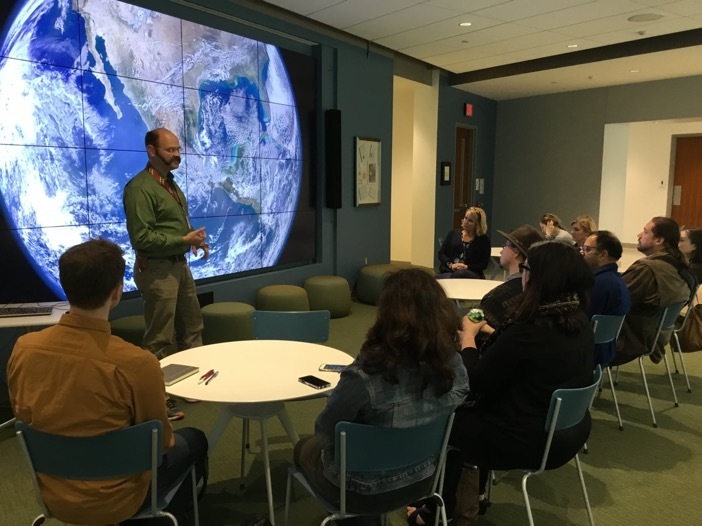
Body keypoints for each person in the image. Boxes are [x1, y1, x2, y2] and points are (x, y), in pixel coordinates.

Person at [6, 239, 208, 525]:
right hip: (120, 499)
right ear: (116, 293)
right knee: (195, 440)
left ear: (66, 287)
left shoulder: (23, 349)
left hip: (52, 493)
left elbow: (25, 420)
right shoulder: (137, 364)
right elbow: (163, 444)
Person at [294, 268, 469, 526]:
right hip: (424, 480)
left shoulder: (365, 375)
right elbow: (462, 394)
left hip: (359, 492)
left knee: (303, 448)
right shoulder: (451, 364)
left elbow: (324, 430)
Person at [444, 241, 594, 523]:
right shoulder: (578, 320)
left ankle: (444, 510)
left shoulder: (527, 331)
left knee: (449, 418)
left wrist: (467, 338)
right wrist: (493, 333)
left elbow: (474, 383)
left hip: (525, 440)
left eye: (525, 269)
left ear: (536, 277)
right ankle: (473, 497)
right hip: (568, 432)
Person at [123, 127, 209, 420]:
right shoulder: (139, 189)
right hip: (158, 271)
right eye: (171, 150)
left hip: (178, 266)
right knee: (159, 339)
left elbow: (171, 225)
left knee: (192, 326)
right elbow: (141, 239)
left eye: (178, 150)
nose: (177, 155)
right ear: (151, 151)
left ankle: (190, 385)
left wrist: (191, 239)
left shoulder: (169, 183)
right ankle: (156, 401)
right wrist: (182, 241)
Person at [611, 217, 694, 366]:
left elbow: (615, 299)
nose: (638, 235)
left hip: (628, 339)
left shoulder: (647, 269)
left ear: (659, 240)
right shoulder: (682, 268)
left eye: (645, 231)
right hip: (654, 336)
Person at [580, 230, 631, 367]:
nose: (582, 252)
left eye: (587, 249)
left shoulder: (599, 283)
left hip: (589, 353)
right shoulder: (616, 280)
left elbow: (581, 322)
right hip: (606, 349)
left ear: (603, 255)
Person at [479, 224, 543, 331]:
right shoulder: (539, 289)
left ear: (516, 252)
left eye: (505, 246)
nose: (501, 251)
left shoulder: (497, 298)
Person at [437, 206, 491, 279]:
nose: (466, 222)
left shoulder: (484, 240)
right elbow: (441, 254)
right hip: (450, 270)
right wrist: (451, 265)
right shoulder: (453, 233)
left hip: (471, 272)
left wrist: (466, 267)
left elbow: (483, 264)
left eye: (470, 221)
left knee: (460, 274)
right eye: (465, 218)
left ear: (477, 224)